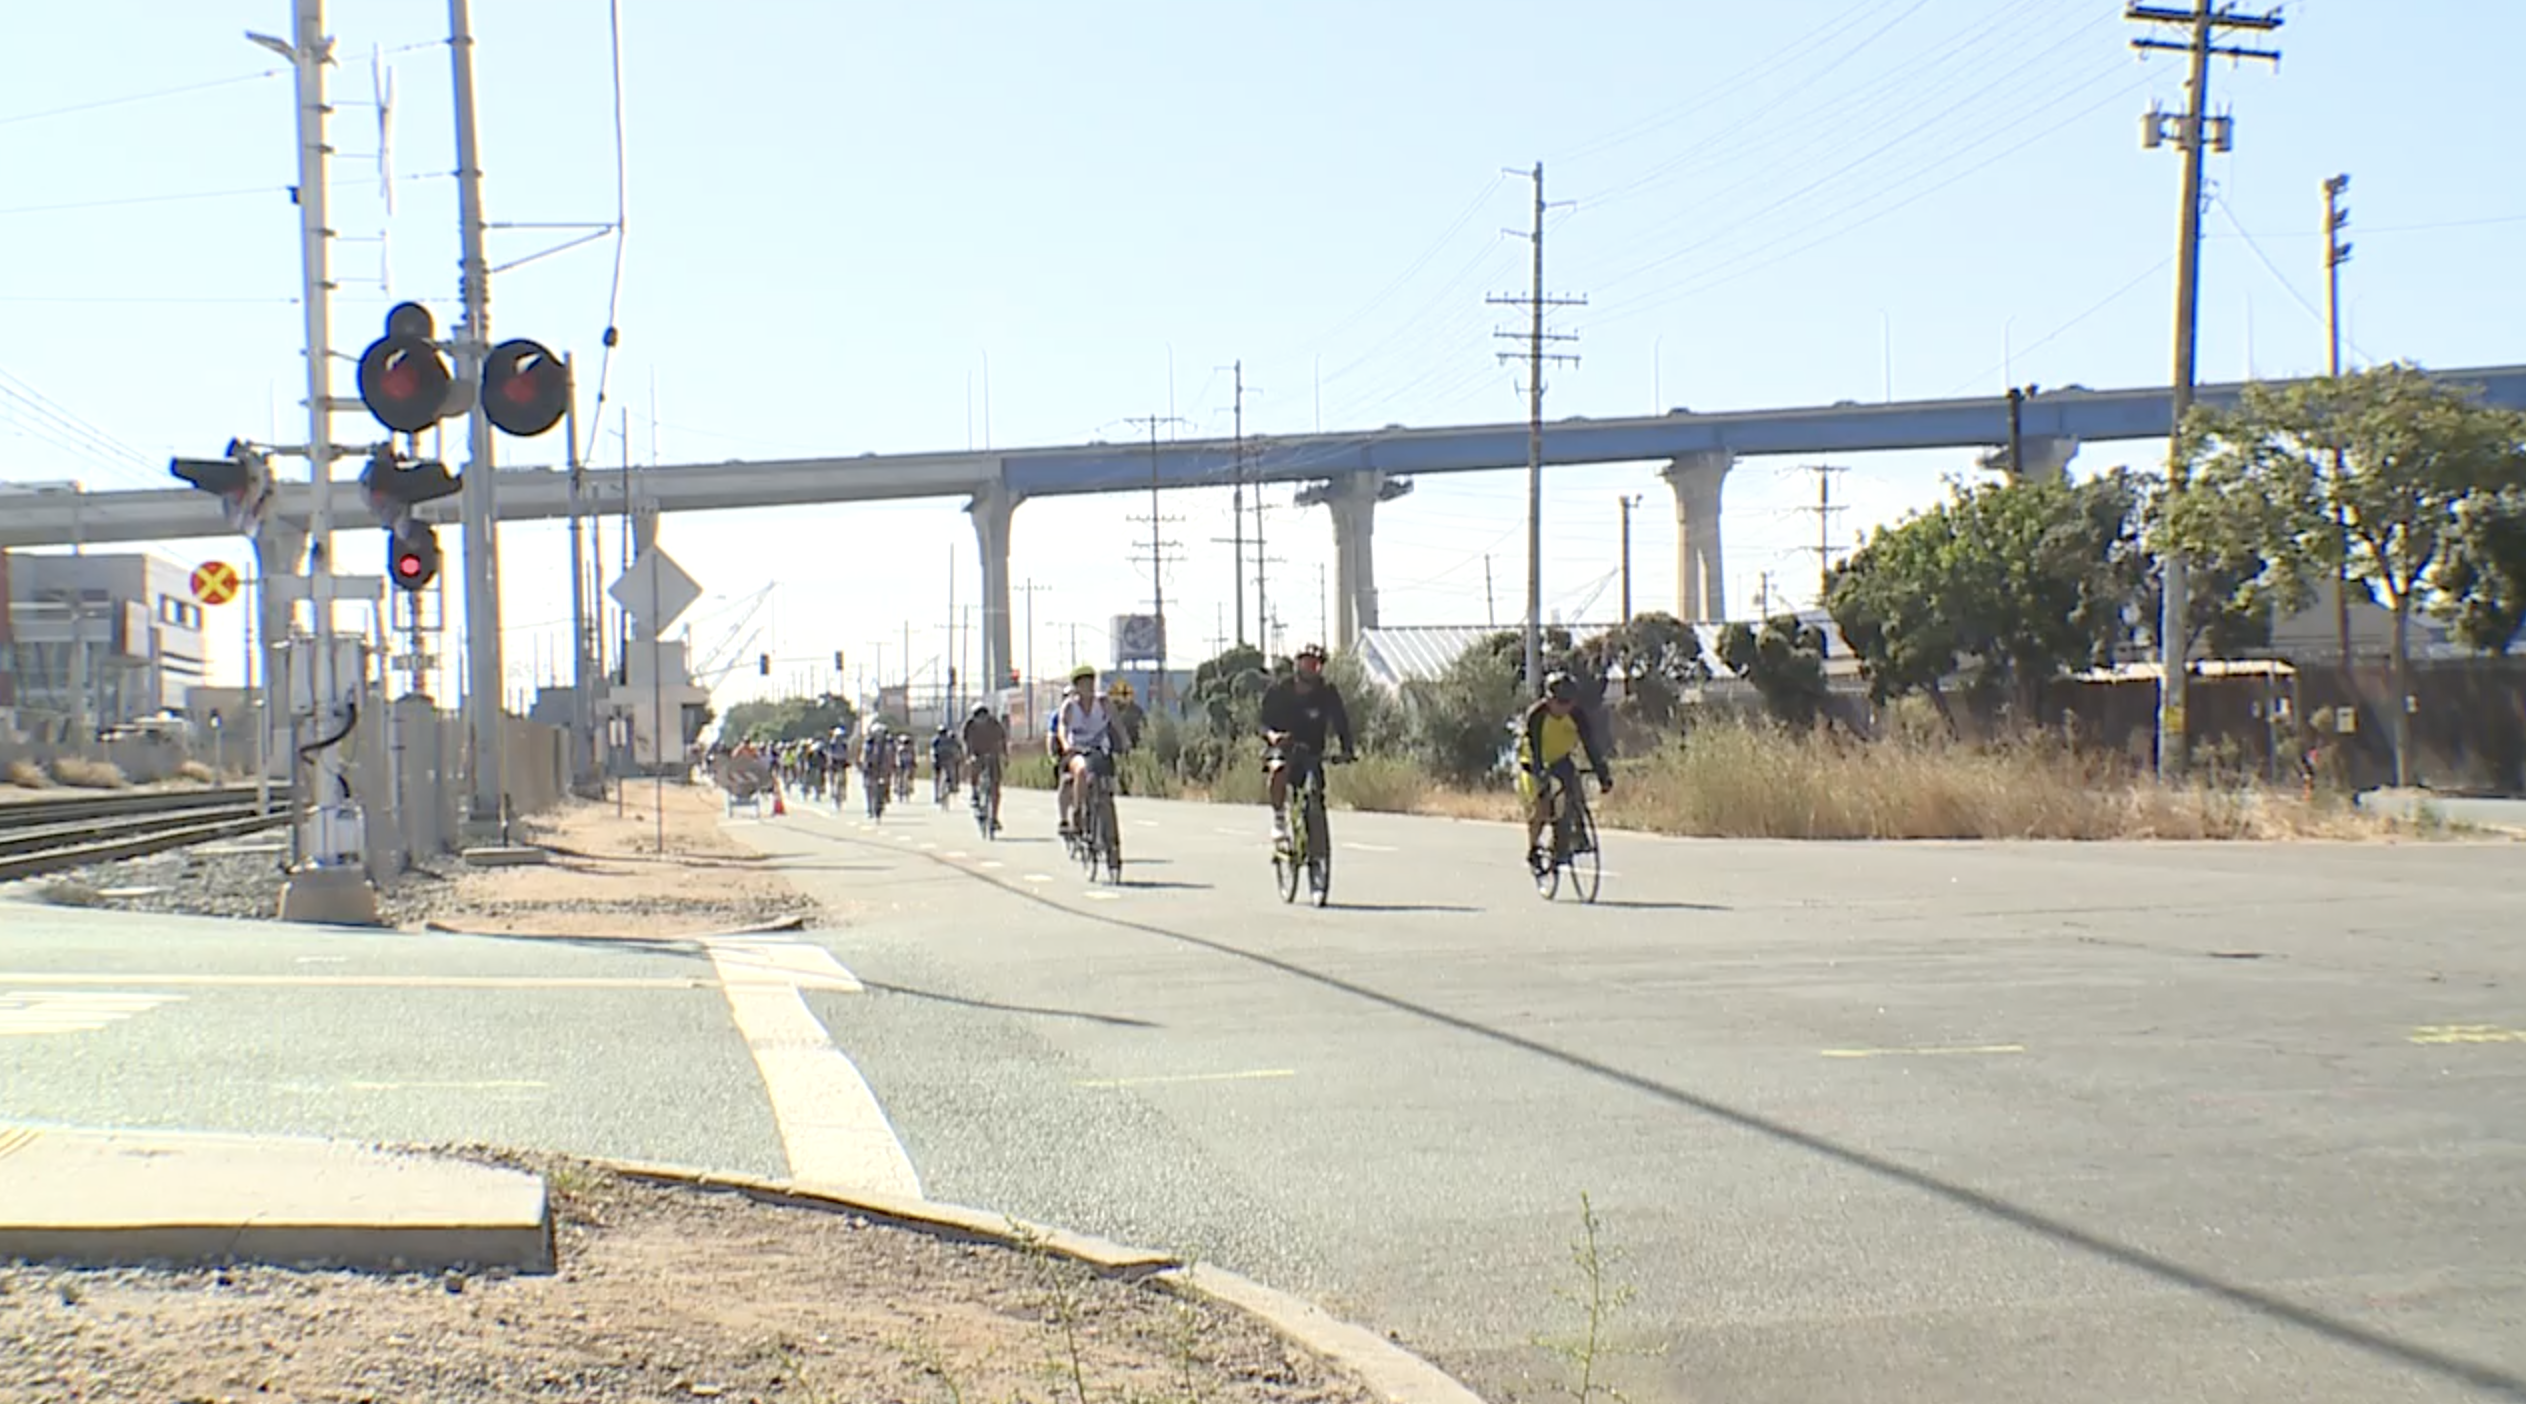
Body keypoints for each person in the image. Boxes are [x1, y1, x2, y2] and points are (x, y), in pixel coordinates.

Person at [1259, 643, 1357, 849]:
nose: (1312, 668)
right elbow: (1262, 723)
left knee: (1315, 794)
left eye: (1316, 664)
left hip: (1312, 751)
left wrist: (1347, 749)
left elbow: (1341, 721)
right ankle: (1278, 820)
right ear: (1298, 664)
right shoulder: (1279, 689)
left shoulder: (1327, 692)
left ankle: (1317, 845)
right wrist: (1273, 736)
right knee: (1279, 769)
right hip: (1282, 748)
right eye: (1307, 663)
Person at [1516, 670, 1613, 874]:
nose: (1563, 708)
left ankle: (1574, 838)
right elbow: (1535, 745)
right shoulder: (1537, 714)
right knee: (1542, 808)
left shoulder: (1577, 715)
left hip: (1560, 759)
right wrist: (1541, 773)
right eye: (1559, 702)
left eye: (1568, 702)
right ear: (1549, 699)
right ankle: (1533, 848)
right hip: (1533, 762)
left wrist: (1602, 773)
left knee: (1573, 791)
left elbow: (1590, 745)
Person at [1053, 663, 1120, 838]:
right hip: (1077, 750)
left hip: (1099, 748)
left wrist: (1125, 740)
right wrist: (1066, 745)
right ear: (1076, 687)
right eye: (1083, 684)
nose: (1088, 687)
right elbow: (1062, 729)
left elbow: (1116, 723)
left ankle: (1105, 811)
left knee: (1107, 778)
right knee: (1081, 770)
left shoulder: (1103, 702)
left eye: (1090, 683)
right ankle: (1077, 813)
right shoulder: (1069, 706)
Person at [961, 703, 1008, 833]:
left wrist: (1004, 756)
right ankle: (974, 792)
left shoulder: (994, 724)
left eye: (984, 715)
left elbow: (1002, 740)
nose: (981, 719)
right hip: (976, 753)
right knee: (974, 766)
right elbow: (965, 743)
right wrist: (968, 757)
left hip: (992, 754)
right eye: (978, 716)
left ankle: (994, 817)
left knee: (995, 788)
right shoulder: (969, 725)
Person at [930, 724, 963, 802]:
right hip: (939, 759)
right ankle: (937, 794)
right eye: (941, 733)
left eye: (944, 732)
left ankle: (953, 786)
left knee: (953, 771)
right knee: (937, 777)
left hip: (949, 759)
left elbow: (958, 748)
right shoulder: (936, 740)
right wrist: (933, 759)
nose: (942, 734)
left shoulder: (951, 740)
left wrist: (958, 757)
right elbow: (932, 751)